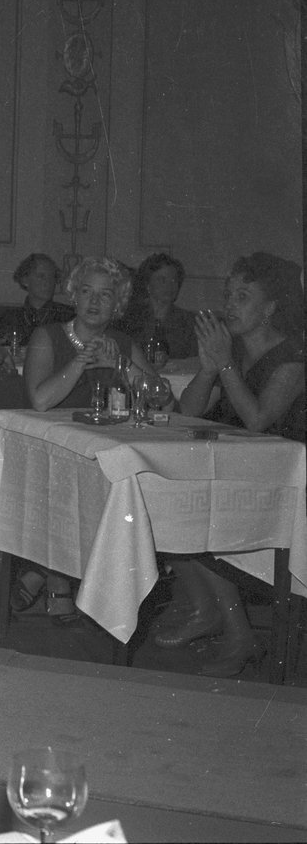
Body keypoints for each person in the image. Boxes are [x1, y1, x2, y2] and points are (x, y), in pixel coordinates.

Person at [155, 252, 305, 676]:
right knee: (161, 499)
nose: (230, 304)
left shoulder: (294, 357)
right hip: (238, 473)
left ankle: (240, 634)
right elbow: (189, 411)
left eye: (243, 296)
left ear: (270, 308)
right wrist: (209, 370)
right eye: (228, 294)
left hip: (282, 483)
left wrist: (224, 364)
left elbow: (258, 420)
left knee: (193, 510)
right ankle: (206, 611)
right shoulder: (233, 350)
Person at [21, 255, 156, 622]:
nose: (94, 302)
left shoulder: (122, 343)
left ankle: (44, 571)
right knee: (74, 480)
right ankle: (57, 580)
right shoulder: (47, 336)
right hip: (53, 447)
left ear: (118, 303)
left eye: (105, 294)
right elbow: (41, 400)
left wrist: (121, 365)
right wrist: (81, 361)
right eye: (86, 292)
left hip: (103, 449)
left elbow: (162, 398)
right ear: (74, 296)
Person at [118, 252, 197, 360]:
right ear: (147, 285)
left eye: (174, 280)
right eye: (162, 280)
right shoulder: (130, 317)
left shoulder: (188, 321)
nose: (169, 285)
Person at [0, 253, 72, 345]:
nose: (48, 282)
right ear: (25, 280)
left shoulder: (67, 316)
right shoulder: (10, 318)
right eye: (41, 276)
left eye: (52, 276)